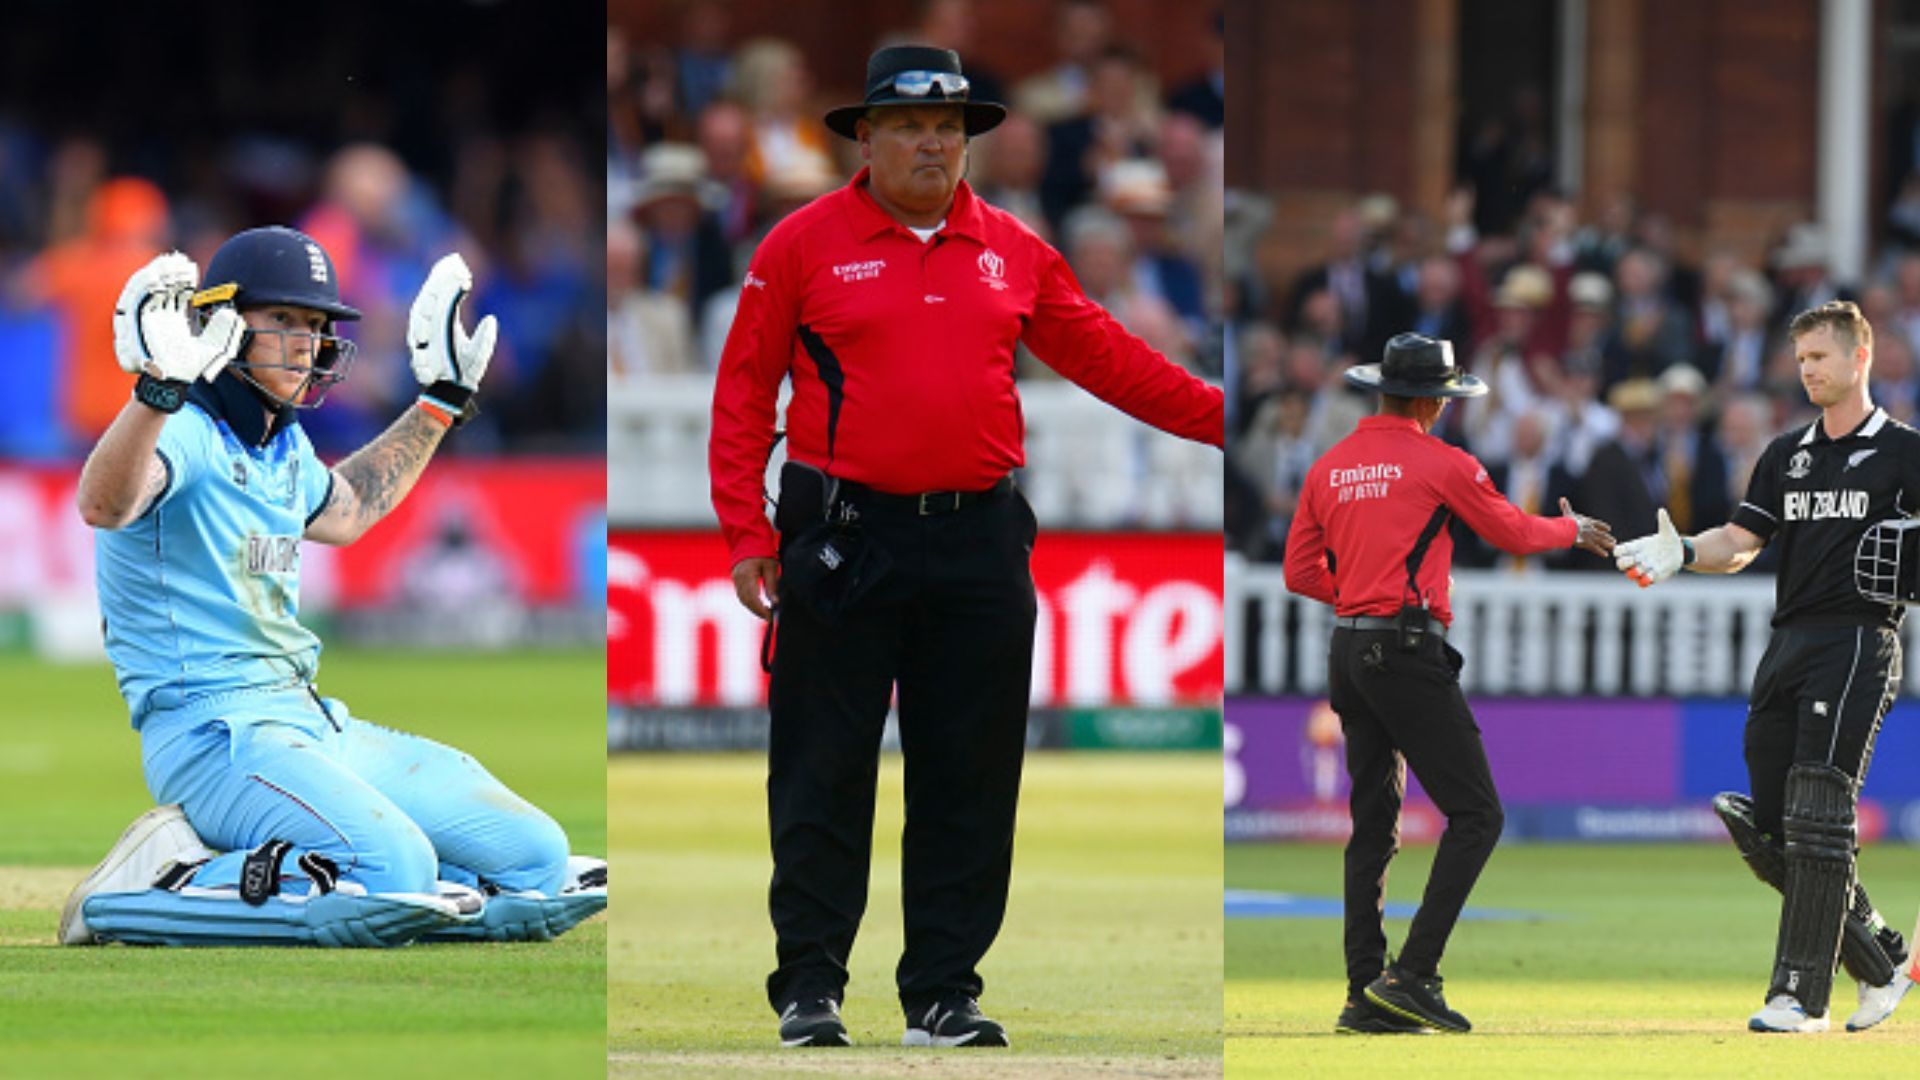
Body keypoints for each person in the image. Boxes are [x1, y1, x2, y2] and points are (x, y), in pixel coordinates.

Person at [709, 45, 1222, 1049]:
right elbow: (742, 394)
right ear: (866, 136)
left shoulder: (1014, 249)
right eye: (908, 125)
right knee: (823, 771)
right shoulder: (802, 245)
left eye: (948, 126)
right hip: (845, 536)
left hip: (981, 535)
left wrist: (1220, 415)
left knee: (971, 775)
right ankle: (810, 986)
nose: (933, 143)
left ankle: (944, 992)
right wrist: (745, 533)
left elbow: (1107, 357)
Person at [59, 226, 606, 948]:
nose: (305, 342)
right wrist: (157, 391)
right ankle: (151, 883)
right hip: (211, 734)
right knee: (392, 868)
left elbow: (347, 510)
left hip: (311, 723)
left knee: (535, 859)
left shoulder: (281, 443)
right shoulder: (184, 430)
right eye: (282, 320)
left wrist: (438, 403)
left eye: (315, 326)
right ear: (218, 322)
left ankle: (388, 888)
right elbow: (103, 505)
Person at [1282, 333, 1613, 1034]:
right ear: (1435, 400)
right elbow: (1515, 534)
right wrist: (1572, 527)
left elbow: (1299, 572)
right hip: (1406, 650)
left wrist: (1362, 592)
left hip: (1349, 649)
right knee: (1478, 815)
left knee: (1371, 824)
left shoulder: (1330, 465)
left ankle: (1364, 991)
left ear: (1382, 390)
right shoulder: (1442, 462)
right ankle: (1413, 975)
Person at [1614, 300, 1916, 1033]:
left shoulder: (1908, 454)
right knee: (1777, 826)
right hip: (1788, 644)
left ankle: (1798, 996)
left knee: (1819, 809)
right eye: (1801, 358)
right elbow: (1742, 542)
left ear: (1859, 358)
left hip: (1858, 640)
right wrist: (1683, 551)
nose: (1808, 369)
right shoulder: (1787, 453)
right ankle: (1882, 962)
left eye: (1820, 356)